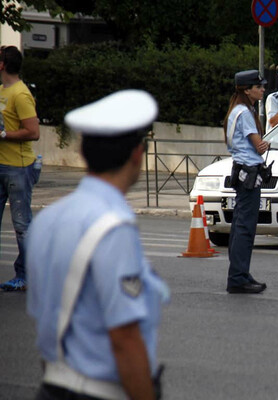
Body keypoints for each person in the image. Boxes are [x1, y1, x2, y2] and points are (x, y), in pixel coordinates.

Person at [26, 90, 169, 399]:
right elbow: (125, 338)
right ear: (137, 154)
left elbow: (46, 320)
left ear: (82, 151)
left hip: (52, 385)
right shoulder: (113, 225)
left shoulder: (49, 219)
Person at [225, 70, 269, 294]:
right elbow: (258, 145)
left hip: (242, 171)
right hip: (249, 172)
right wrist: (267, 143)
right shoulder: (244, 113)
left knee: (240, 225)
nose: (262, 89)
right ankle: (238, 278)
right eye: (258, 86)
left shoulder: (238, 110)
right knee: (245, 227)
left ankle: (240, 273)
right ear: (246, 89)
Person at [0, 45, 40, 292]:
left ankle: (25, 275)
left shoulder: (21, 94)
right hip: (1, 165)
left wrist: (4, 135)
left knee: (22, 225)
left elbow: (33, 132)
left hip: (18, 167)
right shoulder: (2, 91)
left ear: (3, 65)